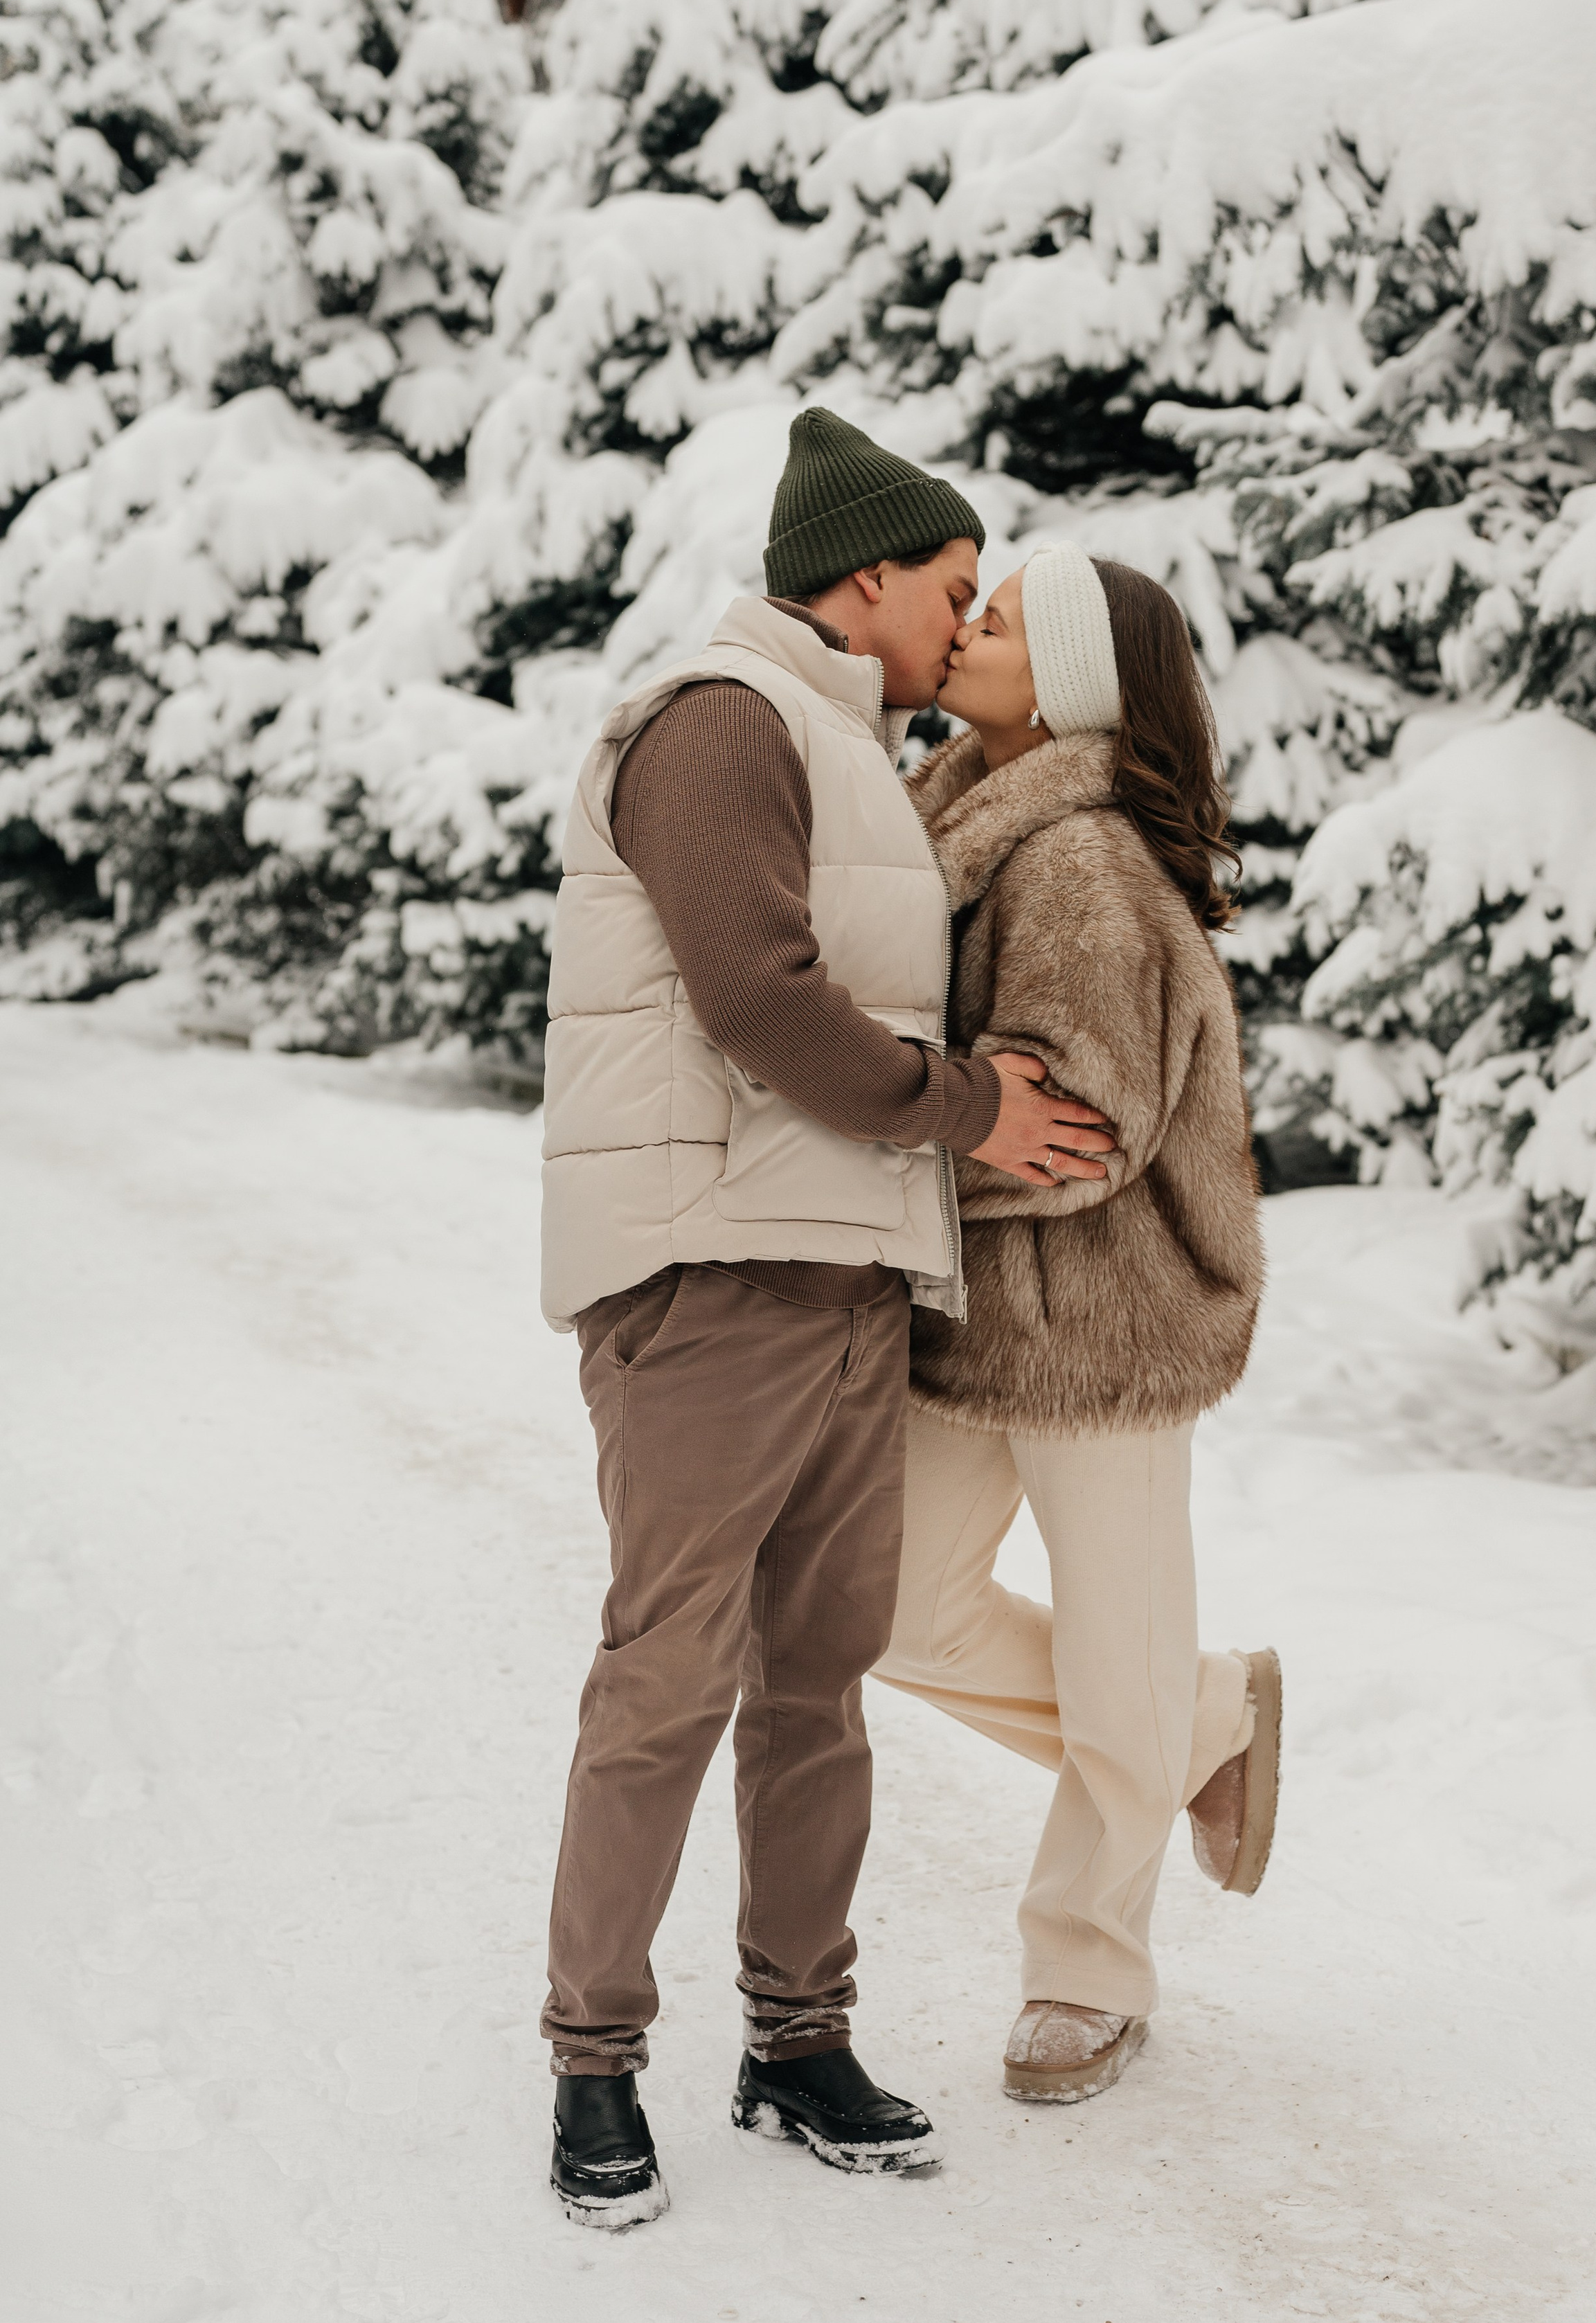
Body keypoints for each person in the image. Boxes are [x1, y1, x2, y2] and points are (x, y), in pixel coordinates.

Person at [536, 414, 1118, 2226]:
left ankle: (797, 2041)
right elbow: (755, 998)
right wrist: (971, 1110)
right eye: (950, 586)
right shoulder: (721, 720)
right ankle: (593, 2061)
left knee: (817, 1685)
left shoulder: (854, 746)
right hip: (712, 1271)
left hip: (851, 1271)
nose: (964, 619)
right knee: (668, 1678)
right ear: (861, 580)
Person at [873, 544, 1278, 2106]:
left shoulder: (1080, 862)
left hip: (1108, 1320)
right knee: (888, 1611)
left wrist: (878, 1166)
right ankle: (1205, 1716)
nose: (965, 627)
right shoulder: (965, 819)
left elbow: (1076, 1129)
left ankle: (1087, 1970)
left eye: (998, 619)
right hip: (975, 1312)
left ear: (1069, 682)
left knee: (1117, 1642)